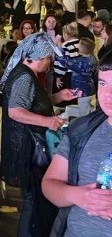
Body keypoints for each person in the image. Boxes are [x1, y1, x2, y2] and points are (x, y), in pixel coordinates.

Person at [0, 32, 80, 237]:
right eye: (49, 59)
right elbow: (15, 111)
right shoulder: (24, 77)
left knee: (34, 200)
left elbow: (34, 103)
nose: (49, 63)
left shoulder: (28, 75)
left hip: (29, 146)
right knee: (33, 201)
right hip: (27, 148)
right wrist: (47, 121)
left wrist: (59, 96)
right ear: (40, 57)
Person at [42, 55, 112, 236]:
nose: (108, 94)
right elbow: (49, 183)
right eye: (103, 84)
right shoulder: (82, 130)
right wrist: (78, 195)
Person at [57, 37, 98, 116]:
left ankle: (84, 122)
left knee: (84, 113)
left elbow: (65, 62)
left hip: (82, 90)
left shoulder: (81, 62)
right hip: (90, 88)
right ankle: (67, 112)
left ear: (80, 50)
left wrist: (59, 49)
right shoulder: (92, 58)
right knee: (86, 108)